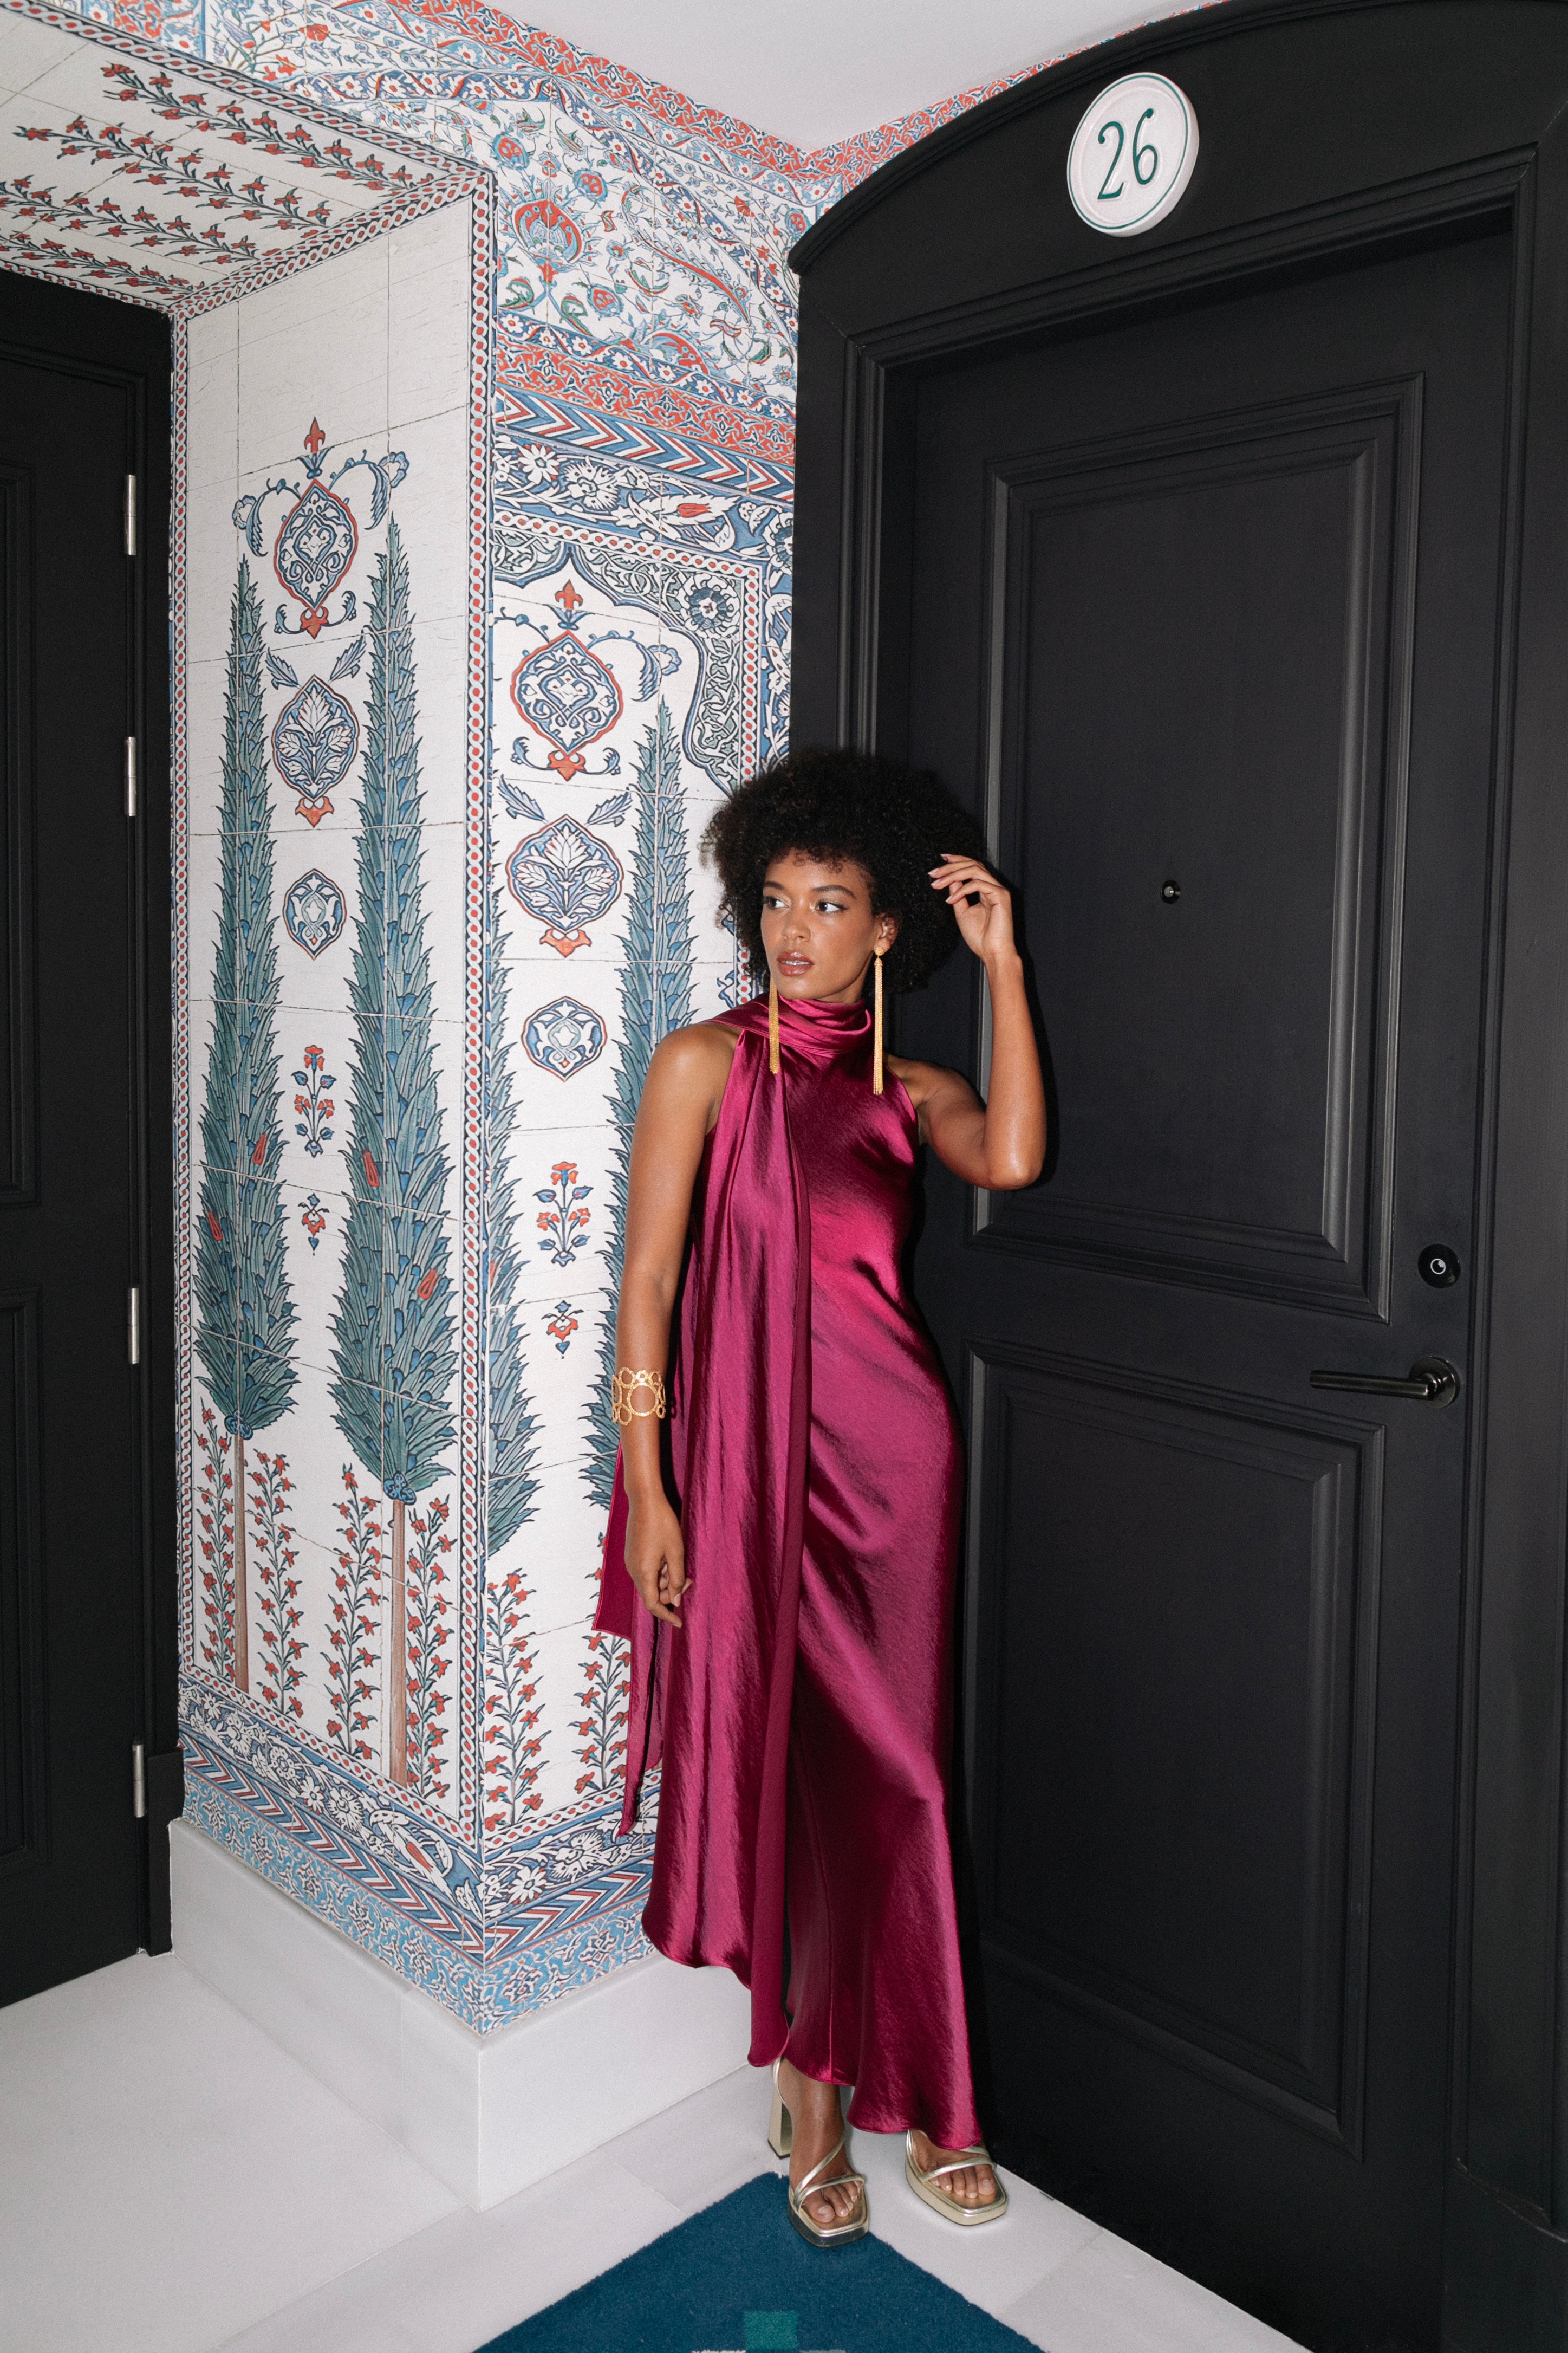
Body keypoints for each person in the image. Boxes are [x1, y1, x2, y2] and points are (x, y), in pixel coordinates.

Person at [594, 747, 1046, 2247]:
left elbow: (1017, 1157)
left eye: (830, 902)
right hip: (741, 1480)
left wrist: (1005, 964)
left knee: (899, 1781)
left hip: (892, 1466)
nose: (793, 929)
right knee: (792, 1771)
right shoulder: (703, 1064)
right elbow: (647, 1288)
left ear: (885, 929)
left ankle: (919, 2084)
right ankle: (815, 2094)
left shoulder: (914, 1091)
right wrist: (651, 1487)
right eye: (777, 899)